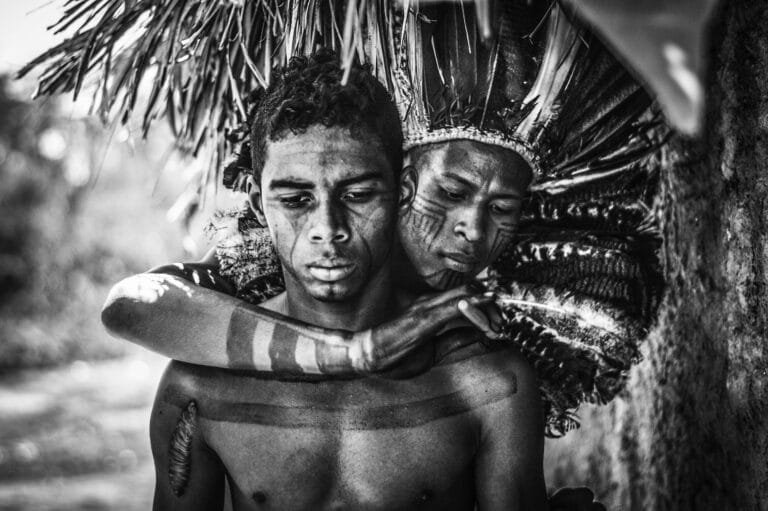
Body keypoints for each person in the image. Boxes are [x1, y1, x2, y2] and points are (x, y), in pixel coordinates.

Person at [148, 52, 546, 510]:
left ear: (403, 193)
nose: (326, 226)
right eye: (296, 200)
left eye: (357, 195)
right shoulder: (199, 388)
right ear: (260, 206)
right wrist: (366, 348)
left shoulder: (487, 382)